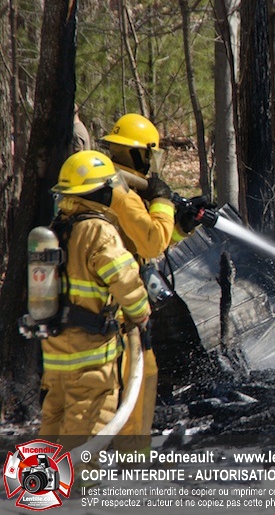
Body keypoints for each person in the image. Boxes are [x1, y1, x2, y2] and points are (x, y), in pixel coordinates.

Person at [98, 113, 201, 457]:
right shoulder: (116, 190)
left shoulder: (119, 187)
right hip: (114, 312)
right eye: (150, 154)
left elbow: (147, 241)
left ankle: (133, 459)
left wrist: (182, 227)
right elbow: (151, 242)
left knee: (146, 375)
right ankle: (120, 460)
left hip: (127, 309)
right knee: (126, 385)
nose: (152, 163)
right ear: (138, 153)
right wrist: (163, 201)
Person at [39, 151, 151, 451]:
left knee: (53, 423)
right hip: (90, 357)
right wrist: (141, 313)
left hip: (55, 353)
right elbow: (125, 280)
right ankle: (76, 481)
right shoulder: (98, 230)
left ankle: (38, 480)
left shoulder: (57, 228)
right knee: (86, 434)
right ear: (100, 192)